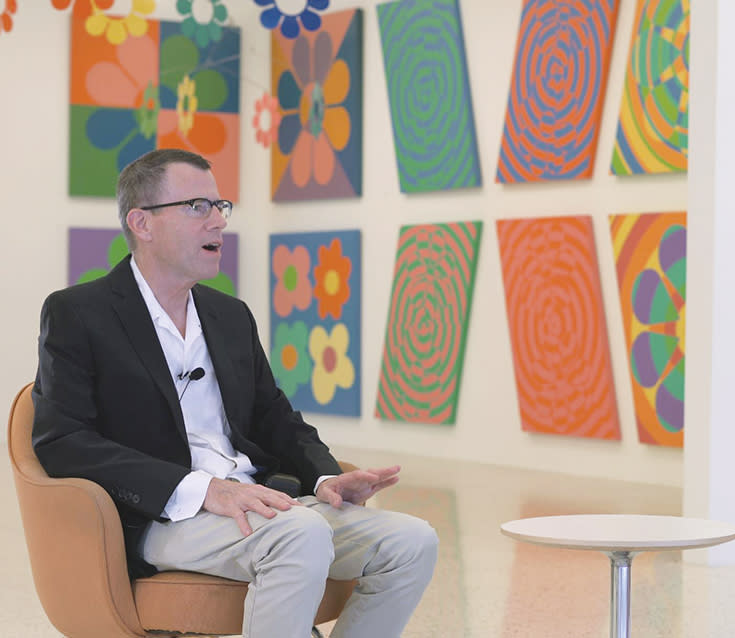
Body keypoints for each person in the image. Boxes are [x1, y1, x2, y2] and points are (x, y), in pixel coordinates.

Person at [32, 148, 438, 638]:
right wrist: (203, 490)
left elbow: (274, 416)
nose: (218, 223)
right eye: (197, 206)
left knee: (412, 540)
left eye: (220, 207)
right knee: (299, 535)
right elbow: (63, 440)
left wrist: (325, 476)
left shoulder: (230, 315)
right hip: (164, 513)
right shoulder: (78, 313)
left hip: (259, 499)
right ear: (142, 223)